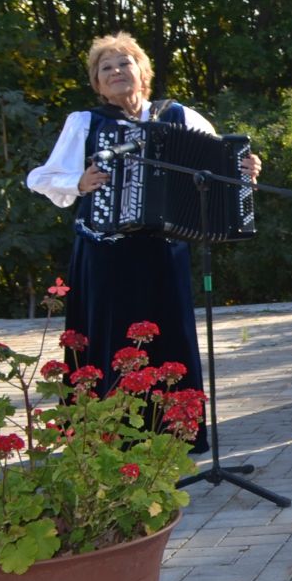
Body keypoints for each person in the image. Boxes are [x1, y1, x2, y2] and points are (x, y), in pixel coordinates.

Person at [26, 33, 260, 421]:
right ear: (97, 84)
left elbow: (220, 163)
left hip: (164, 251)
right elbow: (41, 177)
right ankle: (106, 427)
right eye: (107, 68)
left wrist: (245, 170)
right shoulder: (85, 122)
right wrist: (78, 183)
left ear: (142, 72)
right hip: (106, 252)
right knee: (110, 334)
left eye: (125, 63)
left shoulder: (177, 115)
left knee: (169, 334)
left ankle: (175, 428)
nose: (117, 71)